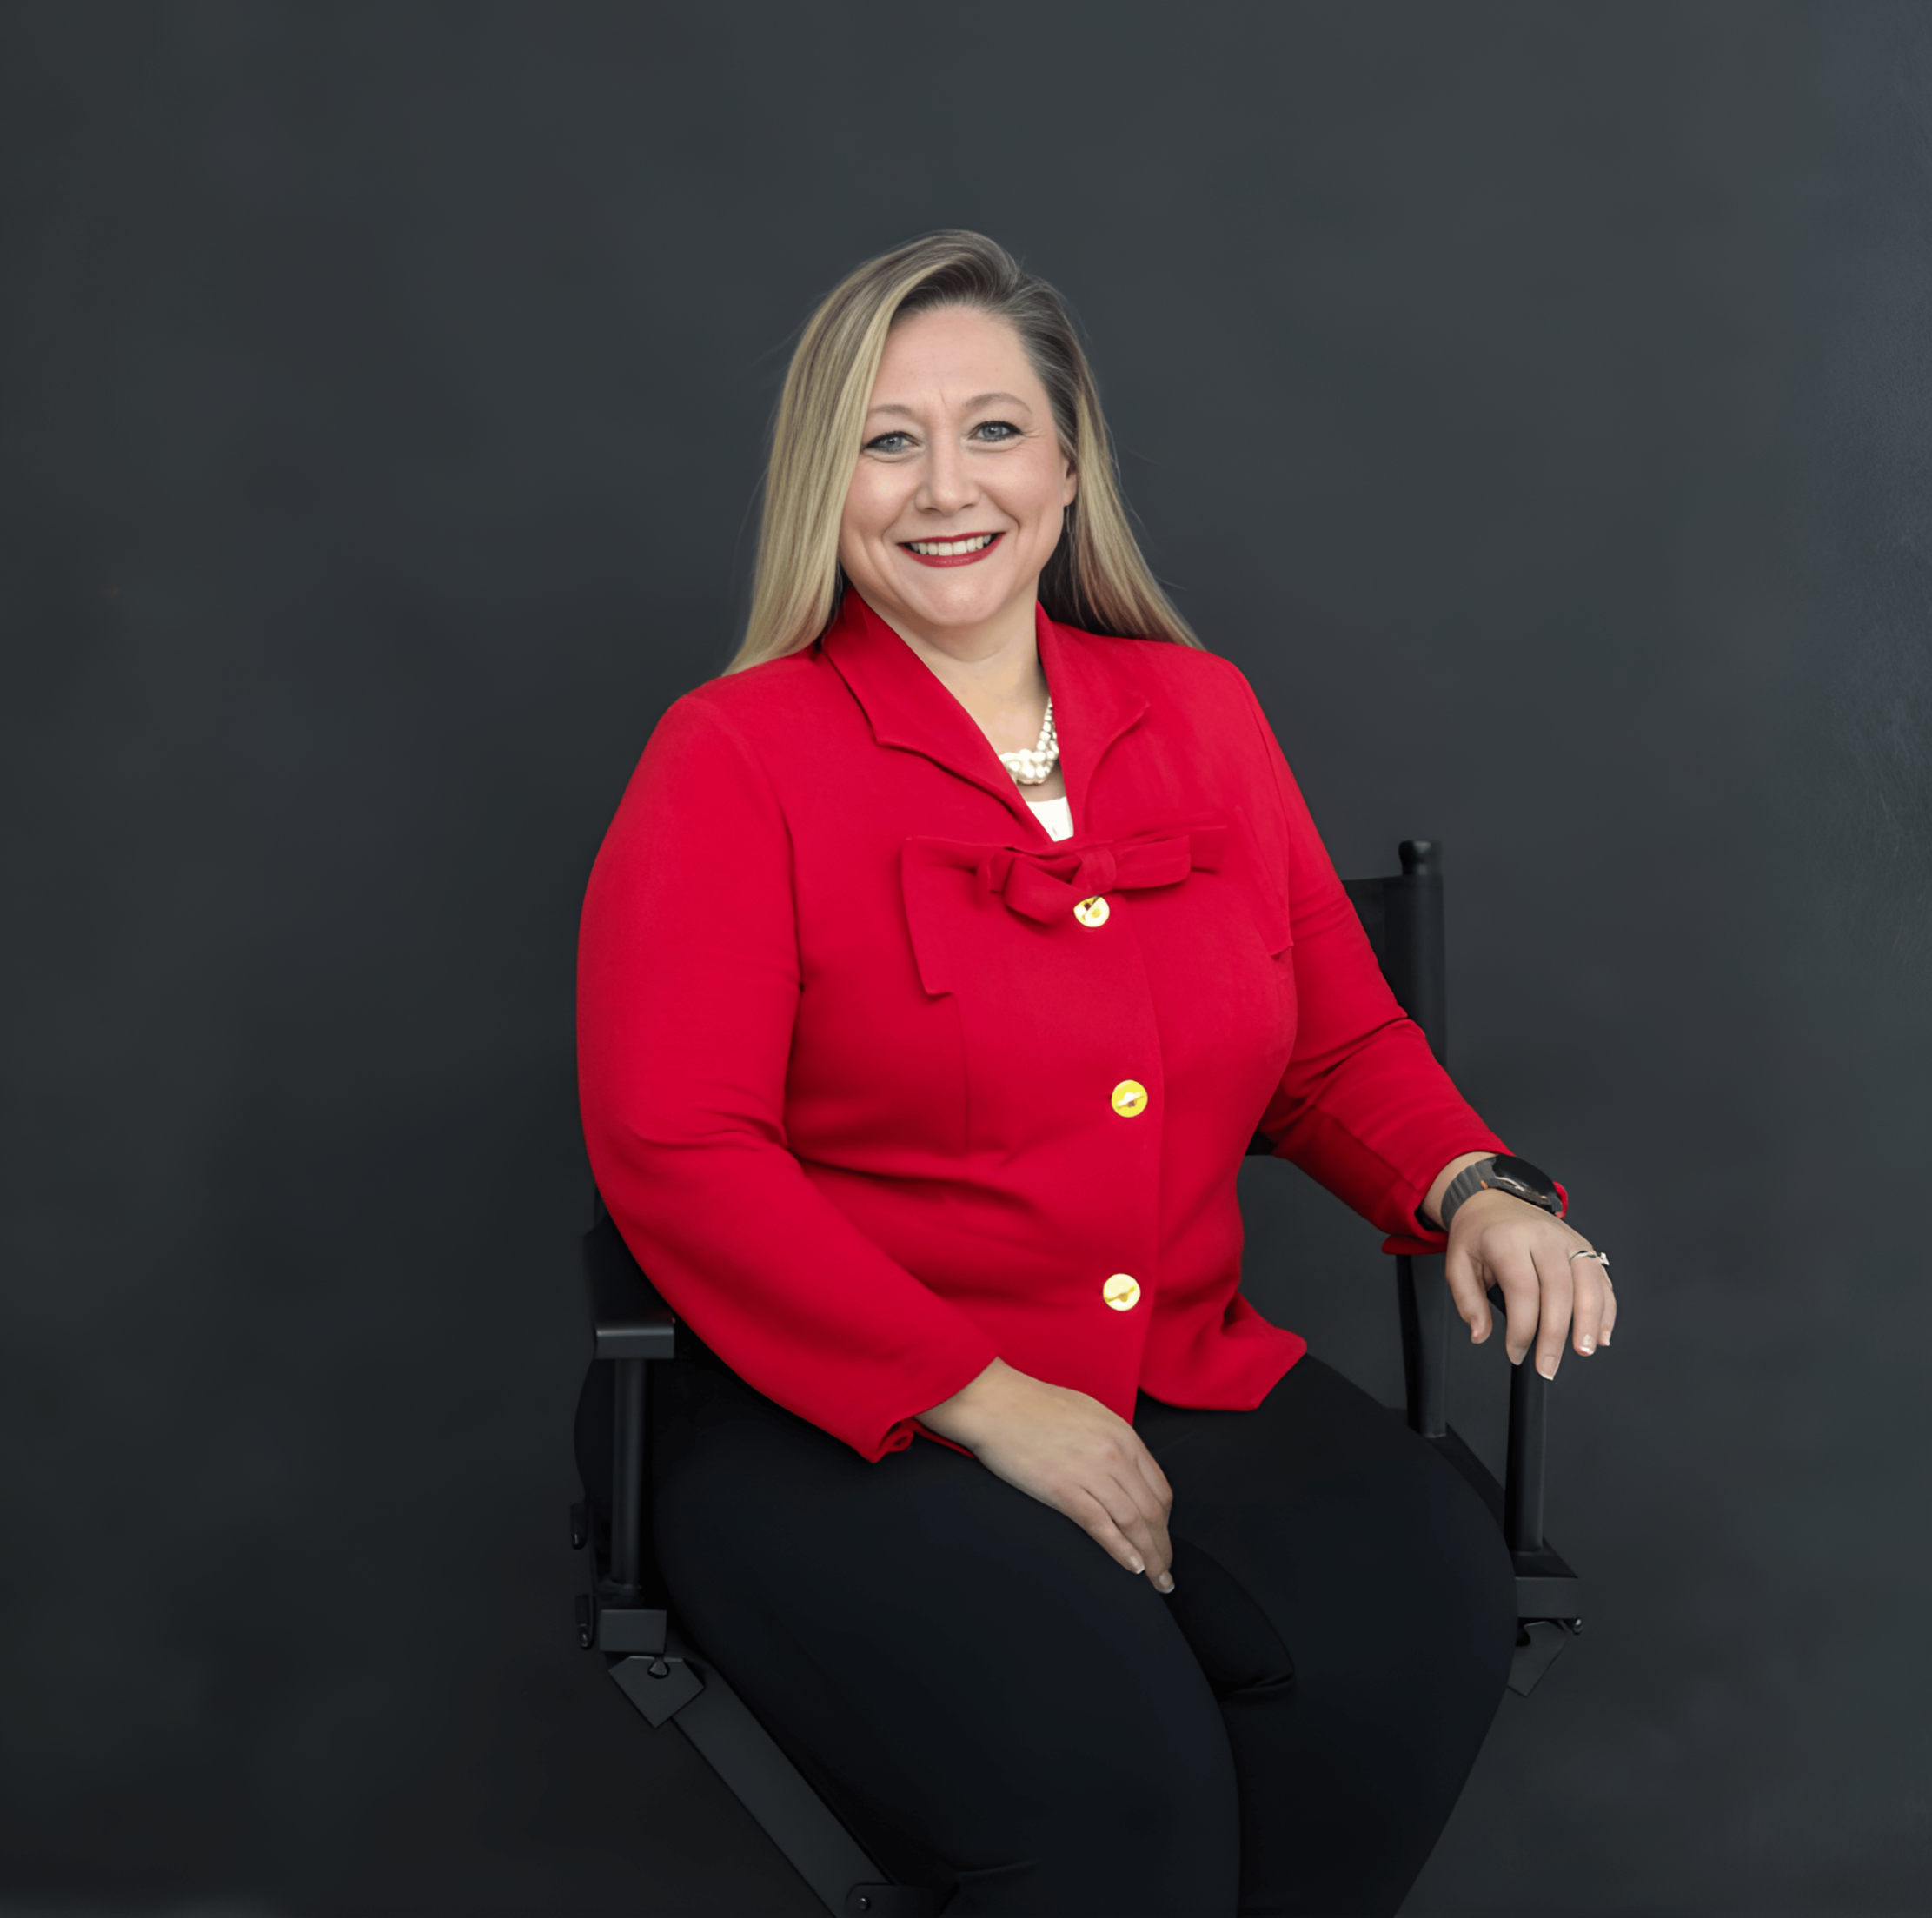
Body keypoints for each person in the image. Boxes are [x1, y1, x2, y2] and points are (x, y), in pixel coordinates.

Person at [576, 230, 1616, 1917]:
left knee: (1417, 1620)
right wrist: (985, 1396)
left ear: (1066, 468)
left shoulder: (1199, 711)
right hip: (835, 1415)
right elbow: (677, 1145)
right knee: (1112, 1782)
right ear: (822, 478)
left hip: (1177, 1370)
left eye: (991, 428)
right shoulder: (731, 756)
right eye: (885, 438)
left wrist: (1470, 1185)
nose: (942, 486)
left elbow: (1336, 1043)